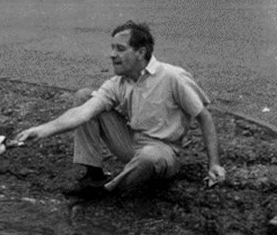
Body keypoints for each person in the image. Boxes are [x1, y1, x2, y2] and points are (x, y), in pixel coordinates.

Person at [15, 20, 226, 194]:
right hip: (132, 144)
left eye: (120, 49)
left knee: (149, 156)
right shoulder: (119, 82)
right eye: (112, 48)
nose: (112, 54)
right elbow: (83, 113)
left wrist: (214, 164)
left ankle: (108, 192)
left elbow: (204, 117)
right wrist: (40, 131)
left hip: (164, 152)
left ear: (140, 52)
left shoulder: (173, 77)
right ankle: (93, 175)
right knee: (84, 97)